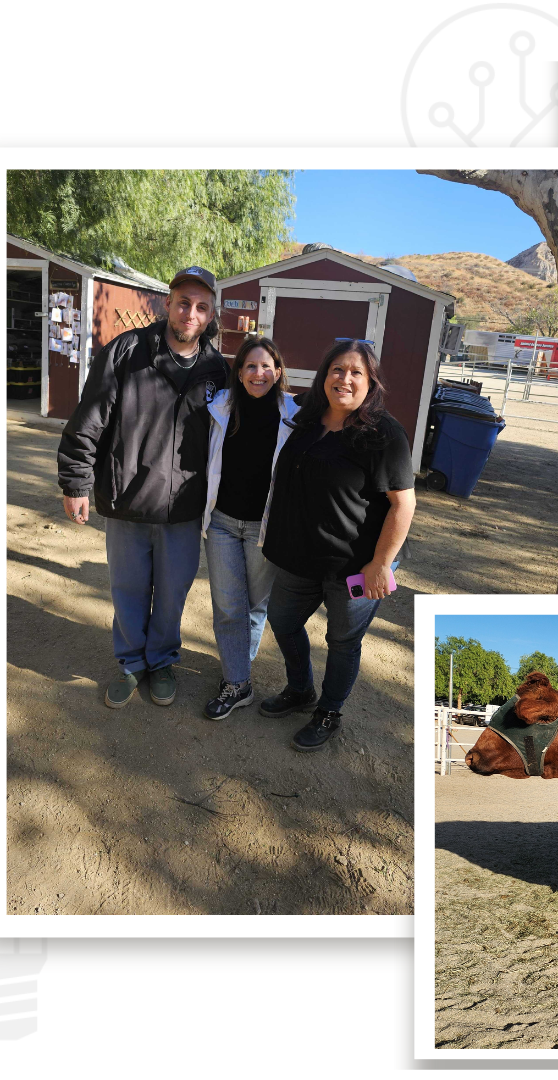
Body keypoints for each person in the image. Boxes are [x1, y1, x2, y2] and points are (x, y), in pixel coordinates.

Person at [58, 266, 227, 708]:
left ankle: (161, 661)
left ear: (210, 316)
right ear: (168, 303)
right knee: (128, 591)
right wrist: (76, 481)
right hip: (128, 500)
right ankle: (132, 663)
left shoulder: (216, 370)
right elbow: (88, 420)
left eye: (202, 306)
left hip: (184, 509)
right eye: (184, 302)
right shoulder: (126, 352)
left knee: (172, 595)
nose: (191, 312)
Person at [259, 339, 417, 752]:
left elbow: (403, 503)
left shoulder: (384, 434)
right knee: (283, 620)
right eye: (337, 370)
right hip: (299, 557)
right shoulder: (308, 418)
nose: (344, 379)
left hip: (356, 567)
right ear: (324, 375)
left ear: (371, 382)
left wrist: (382, 564)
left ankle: (329, 712)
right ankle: (300, 689)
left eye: (356, 373)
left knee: (343, 642)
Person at [200, 337, 300, 720]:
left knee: (255, 604)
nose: (259, 373)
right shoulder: (219, 407)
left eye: (267, 366)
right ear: (239, 373)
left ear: (278, 371)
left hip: (265, 527)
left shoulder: (295, 414)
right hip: (223, 522)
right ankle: (237, 683)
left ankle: (237, 662)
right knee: (228, 606)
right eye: (251, 366)